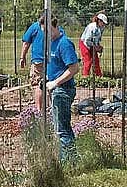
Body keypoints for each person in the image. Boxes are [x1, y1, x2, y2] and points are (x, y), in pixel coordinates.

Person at [46, 17, 79, 161]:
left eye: (48, 30)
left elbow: (74, 68)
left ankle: (68, 162)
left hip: (63, 90)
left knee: (62, 129)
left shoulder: (64, 44)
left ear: (55, 27)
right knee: (60, 128)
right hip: (56, 89)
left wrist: (55, 83)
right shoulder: (51, 43)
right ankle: (69, 159)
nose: (46, 34)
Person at [20, 17, 45, 110]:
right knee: (51, 83)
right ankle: (52, 109)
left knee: (39, 85)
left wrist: (22, 57)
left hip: (38, 60)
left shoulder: (34, 27)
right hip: (52, 59)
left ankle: (39, 110)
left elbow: (26, 43)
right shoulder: (56, 27)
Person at [79, 12, 108, 77]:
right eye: (103, 23)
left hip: (92, 44)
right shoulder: (91, 27)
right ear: (99, 20)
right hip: (84, 44)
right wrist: (95, 46)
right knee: (88, 61)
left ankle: (99, 77)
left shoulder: (102, 28)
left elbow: (97, 38)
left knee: (96, 61)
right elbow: (87, 40)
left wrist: (98, 45)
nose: (104, 24)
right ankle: (85, 77)